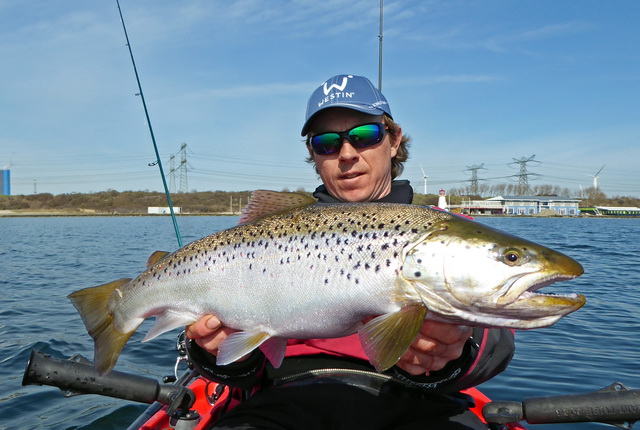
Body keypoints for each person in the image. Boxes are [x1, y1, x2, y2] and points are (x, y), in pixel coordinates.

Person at [185, 74, 515, 429]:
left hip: (421, 402)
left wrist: (454, 353)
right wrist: (215, 351)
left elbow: (495, 345)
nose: (346, 154)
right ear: (313, 154)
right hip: (284, 398)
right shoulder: (265, 236)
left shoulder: (451, 230)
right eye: (326, 142)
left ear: (393, 139)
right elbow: (240, 372)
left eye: (364, 136)